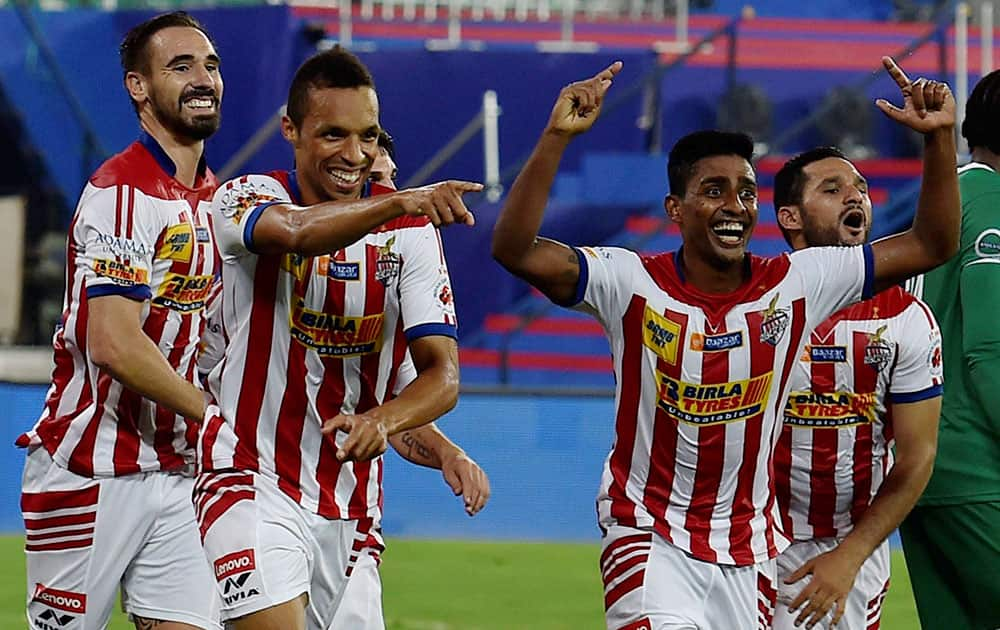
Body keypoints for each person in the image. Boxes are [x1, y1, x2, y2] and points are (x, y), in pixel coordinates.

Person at [491, 57, 958, 629]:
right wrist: (556, 137)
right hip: (650, 537)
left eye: (745, 192)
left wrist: (939, 143)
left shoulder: (797, 285)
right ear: (675, 210)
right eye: (714, 191)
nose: (734, 205)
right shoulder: (629, 282)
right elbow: (515, 249)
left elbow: (933, 242)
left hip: (751, 556)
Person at [193, 47, 480, 629]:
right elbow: (293, 232)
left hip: (351, 515)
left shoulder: (410, 239)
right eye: (333, 135)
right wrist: (397, 201)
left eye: (367, 136)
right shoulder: (243, 198)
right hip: (250, 480)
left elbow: (440, 376)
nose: (355, 156)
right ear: (290, 130)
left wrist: (392, 425)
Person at [16, 11, 223, 630]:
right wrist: (213, 418)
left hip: (180, 469)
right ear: (139, 87)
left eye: (210, 65)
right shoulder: (119, 193)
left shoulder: (217, 200)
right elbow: (112, 342)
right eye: (180, 66)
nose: (202, 79)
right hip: (89, 467)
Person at [767, 146, 942, 630]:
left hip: (852, 549)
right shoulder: (758, 306)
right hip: (752, 541)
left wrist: (850, 557)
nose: (856, 197)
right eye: (832, 189)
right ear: (790, 216)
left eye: (861, 188)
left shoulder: (904, 315)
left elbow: (917, 455)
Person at [899, 69, 1000, 630]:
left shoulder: (949, 196)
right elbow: (989, 353)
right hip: (977, 469)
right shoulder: (991, 206)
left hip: (925, 464)